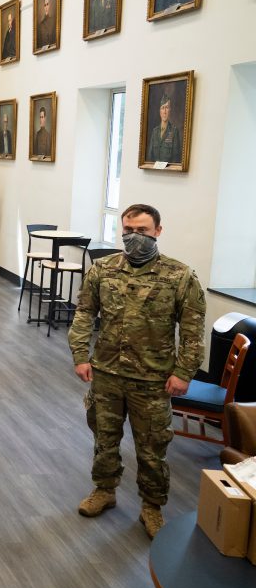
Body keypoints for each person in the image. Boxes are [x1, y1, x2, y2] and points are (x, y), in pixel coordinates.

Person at [68, 204, 205, 539]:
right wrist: (80, 355)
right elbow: (85, 313)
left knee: (152, 446)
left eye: (142, 231)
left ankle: (152, 507)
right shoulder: (103, 269)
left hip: (153, 379)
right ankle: (104, 490)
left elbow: (192, 331)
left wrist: (184, 372)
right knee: (104, 437)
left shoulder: (179, 276)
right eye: (128, 230)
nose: (134, 237)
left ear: (158, 231)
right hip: (107, 374)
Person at [145, 94, 182, 164]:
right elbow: (150, 156)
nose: (165, 111)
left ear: (170, 110)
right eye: (162, 108)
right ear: (160, 111)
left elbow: (176, 158)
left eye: (167, 108)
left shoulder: (174, 131)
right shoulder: (154, 131)